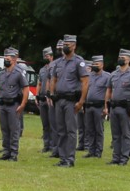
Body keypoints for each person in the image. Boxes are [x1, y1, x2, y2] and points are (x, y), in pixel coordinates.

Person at [49, 34, 89, 167]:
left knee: (71, 130)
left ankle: (70, 159)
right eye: (64, 44)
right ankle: (62, 157)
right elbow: (54, 79)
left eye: (68, 45)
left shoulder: (79, 61)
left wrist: (81, 101)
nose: (66, 47)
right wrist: (52, 93)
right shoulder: (59, 62)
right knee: (61, 130)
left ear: (74, 46)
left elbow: (85, 82)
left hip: (72, 100)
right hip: (59, 100)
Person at [0, 47, 29, 160]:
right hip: (3, 105)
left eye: (8, 58)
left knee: (14, 130)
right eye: (5, 58)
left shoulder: (18, 73)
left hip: (13, 105)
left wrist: (23, 104)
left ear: (14, 60)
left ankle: (13, 153)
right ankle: (6, 152)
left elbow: (26, 89)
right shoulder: (1, 74)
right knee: (4, 129)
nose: (6, 60)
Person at [106, 50, 130, 165]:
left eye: (123, 57)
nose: (120, 58)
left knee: (126, 134)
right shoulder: (114, 74)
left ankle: (124, 158)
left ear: (128, 59)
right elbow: (109, 89)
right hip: (114, 107)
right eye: (119, 56)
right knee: (115, 134)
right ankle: (116, 157)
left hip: (126, 108)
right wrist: (107, 104)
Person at [82, 54, 109, 157]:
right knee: (89, 129)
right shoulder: (89, 76)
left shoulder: (107, 77)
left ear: (102, 65)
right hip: (89, 106)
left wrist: (106, 107)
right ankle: (91, 150)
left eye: (96, 64)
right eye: (93, 64)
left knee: (99, 129)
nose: (94, 66)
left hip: (99, 106)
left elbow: (108, 92)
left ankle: (98, 151)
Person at [40, 46, 59, 153]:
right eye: (44, 56)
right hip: (43, 98)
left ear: (51, 57)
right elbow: (40, 83)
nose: (45, 58)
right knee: (45, 124)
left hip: (52, 99)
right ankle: (46, 145)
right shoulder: (43, 70)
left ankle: (53, 145)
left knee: (53, 124)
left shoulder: (55, 66)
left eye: (47, 56)